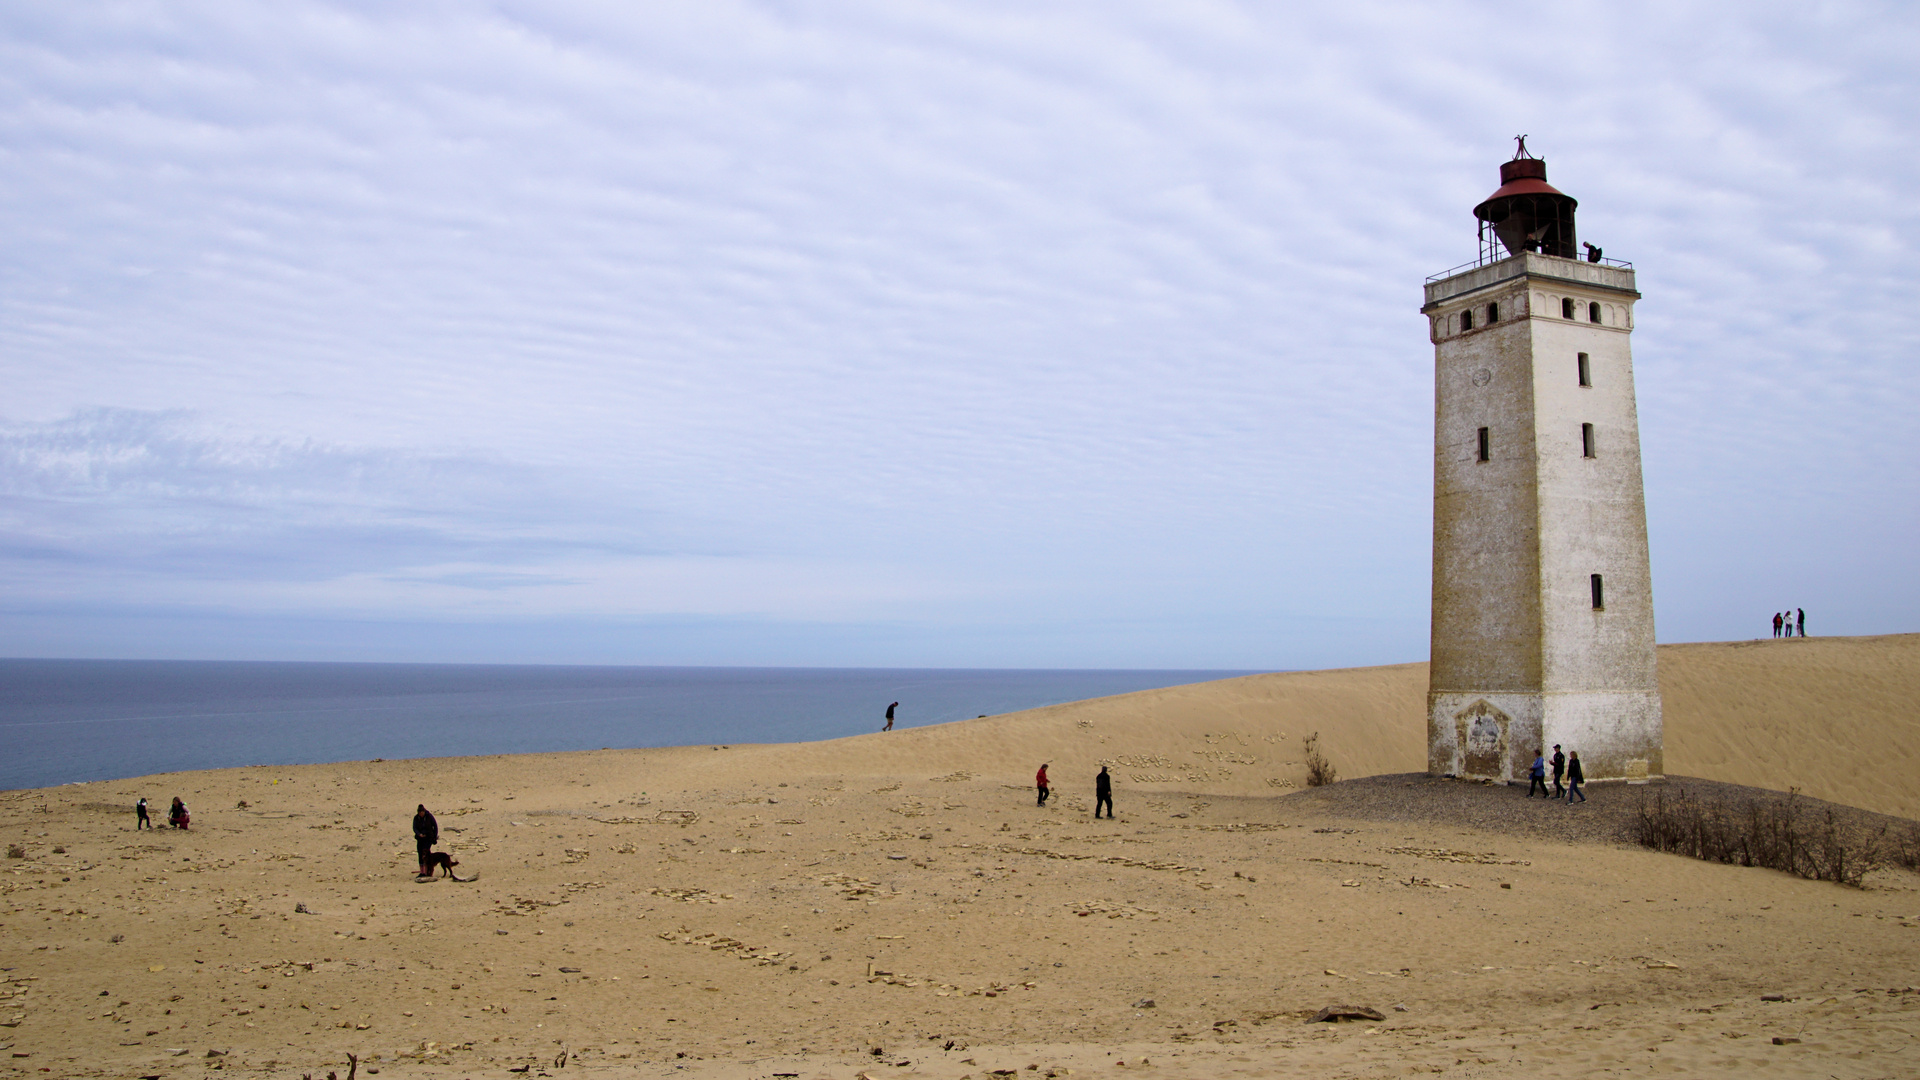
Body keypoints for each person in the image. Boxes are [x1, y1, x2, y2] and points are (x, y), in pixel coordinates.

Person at [413, 804, 439, 877]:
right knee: (420, 853)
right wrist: (418, 834)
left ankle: (428, 871)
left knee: (426, 853)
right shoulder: (416, 818)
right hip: (420, 838)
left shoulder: (429, 817)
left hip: (428, 838)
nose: (421, 814)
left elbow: (435, 826)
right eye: (419, 812)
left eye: (422, 812)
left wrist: (435, 836)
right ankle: (422, 872)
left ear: (424, 811)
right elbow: (414, 827)